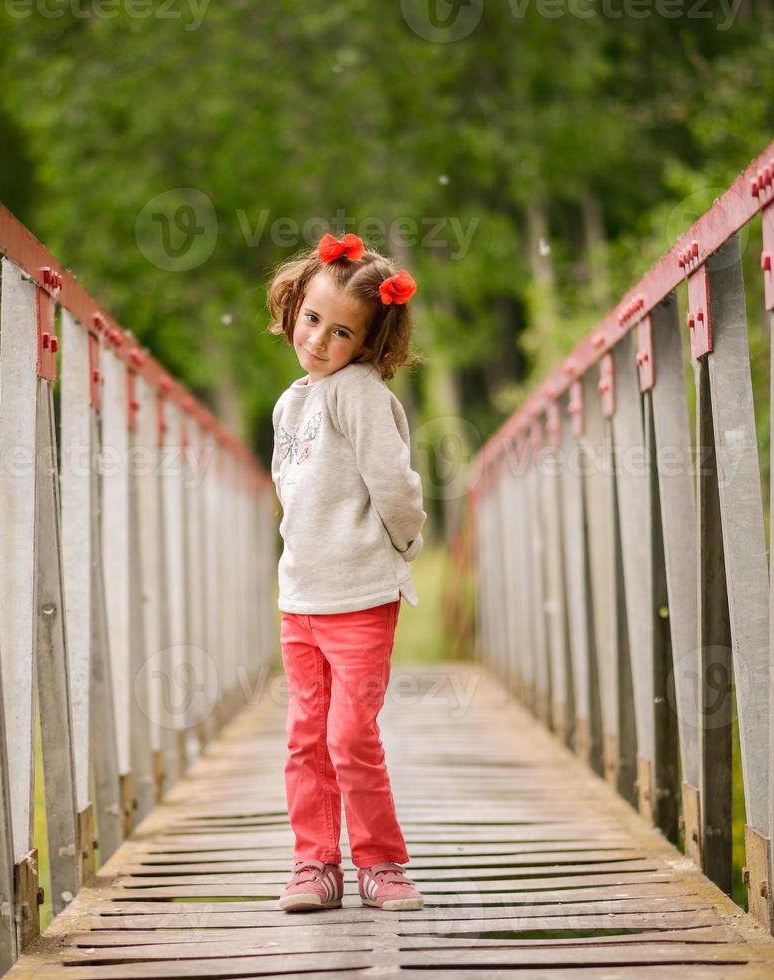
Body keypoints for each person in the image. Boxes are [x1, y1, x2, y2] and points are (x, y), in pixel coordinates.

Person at [267, 231, 427, 913]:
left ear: (366, 344)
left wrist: (401, 544)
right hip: (302, 598)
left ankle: (380, 863)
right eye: (311, 320)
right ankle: (314, 864)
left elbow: (393, 483)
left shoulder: (357, 392)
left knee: (348, 736)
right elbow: (291, 490)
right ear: (292, 306)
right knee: (305, 737)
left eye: (340, 333)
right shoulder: (290, 401)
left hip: (359, 597)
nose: (318, 341)